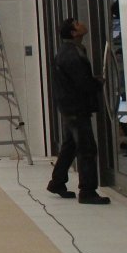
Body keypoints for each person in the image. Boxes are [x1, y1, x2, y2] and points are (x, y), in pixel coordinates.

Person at [48, 18, 110, 205]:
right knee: (86, 148)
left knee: (71, 145)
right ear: (74, 33)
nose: (82, 24)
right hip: (76, 107)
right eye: (77, 23)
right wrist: (96, 83)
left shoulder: (70, 51)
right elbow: (82, 83)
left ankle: (57, 182)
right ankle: (87, 191)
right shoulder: (72, 54)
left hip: (70, 105)